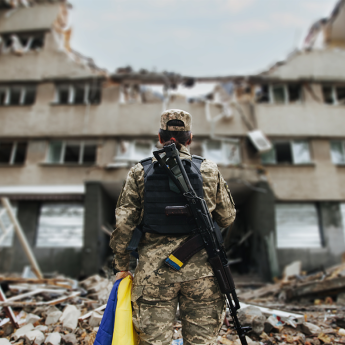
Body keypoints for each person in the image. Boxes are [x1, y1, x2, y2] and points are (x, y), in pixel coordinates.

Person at [110, 109, 236, 345]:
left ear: (160, 137)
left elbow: (124, 223)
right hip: (203, 274)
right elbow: (227, 217)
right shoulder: (209, 169)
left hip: (154, 275)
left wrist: (121, 266)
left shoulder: (140, 171)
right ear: (190, 138)